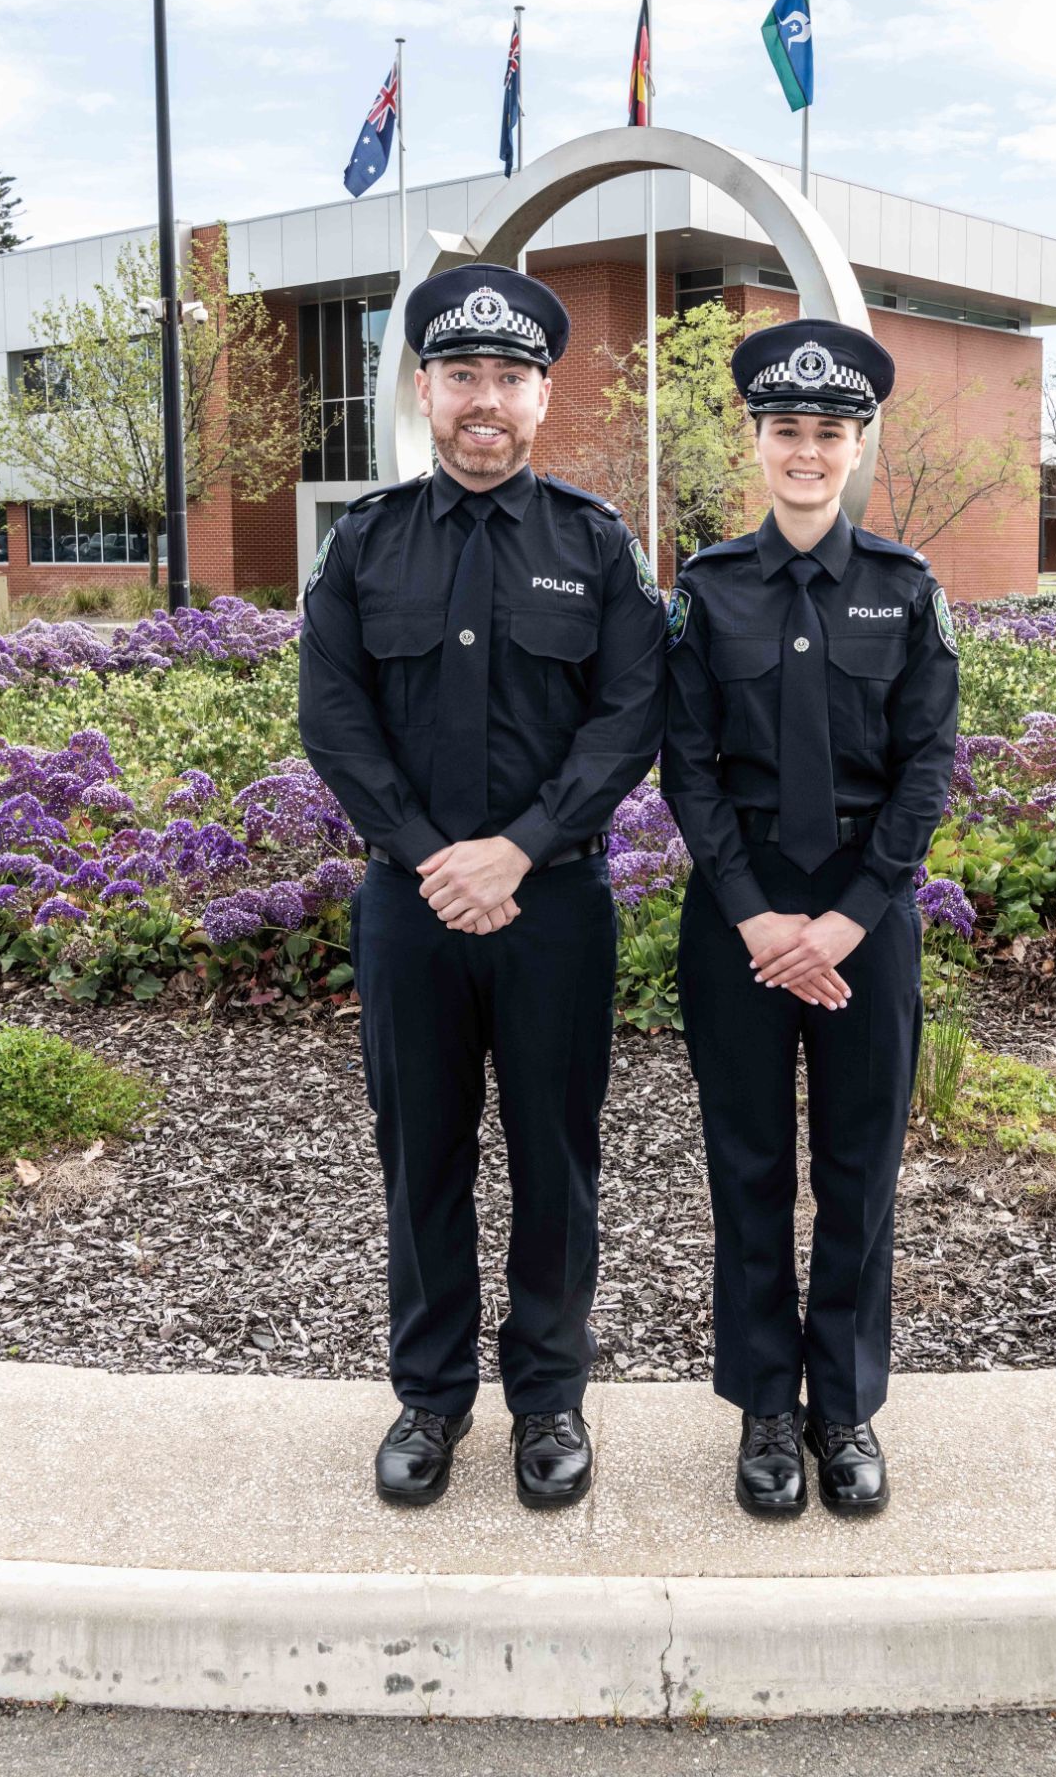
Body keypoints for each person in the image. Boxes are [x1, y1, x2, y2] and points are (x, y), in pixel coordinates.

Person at [298, 263, 666, 1511]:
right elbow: (334, 719)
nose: (485, 401)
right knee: (423, 1155)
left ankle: (550, 1398)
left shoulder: (595, 543)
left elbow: (629, 719)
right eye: (462, 377)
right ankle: (431, 1395)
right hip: (410, 906)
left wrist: (517, 847)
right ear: (424, 388)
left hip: (553, 902)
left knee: (557, 1157)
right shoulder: (365, 542)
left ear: (543, 394)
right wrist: (426, 853)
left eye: (509, 378)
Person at [661, 318, 959, 1519]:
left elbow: (929, 766)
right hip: (736, 918)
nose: (806, 451)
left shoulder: (906, 587)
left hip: (863, 917)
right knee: (747, 1168)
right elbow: (685, 767)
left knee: (858, 1168)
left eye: (828, 433)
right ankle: (766, 1413)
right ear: (761, 441)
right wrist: (754, 917)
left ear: (855, 447)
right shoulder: (707, 589)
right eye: (787, 430)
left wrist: (842, 920)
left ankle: (843, 1407)